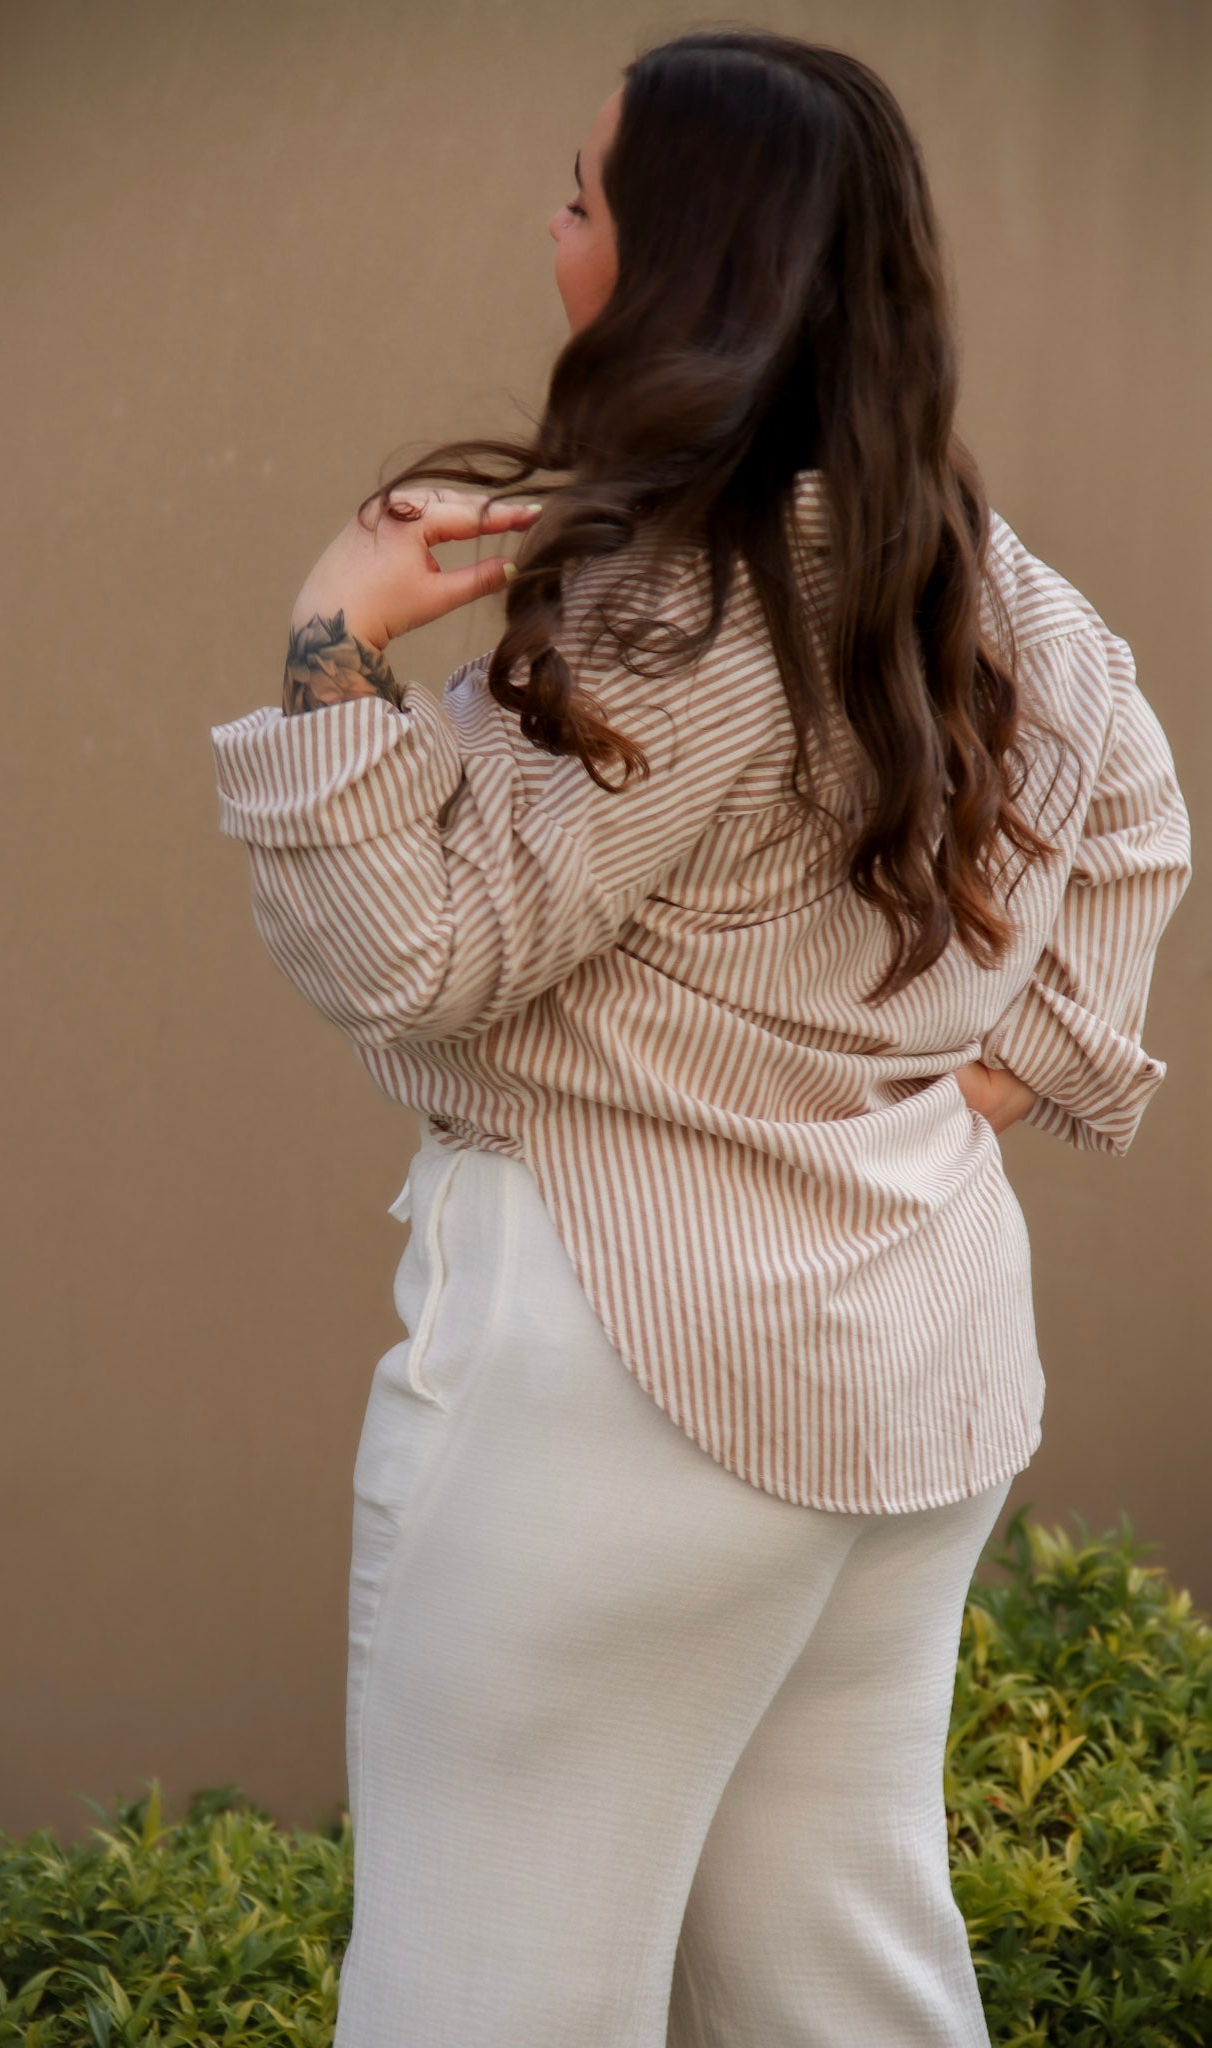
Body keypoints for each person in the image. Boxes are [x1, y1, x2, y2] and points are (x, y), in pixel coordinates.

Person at [209, 27, 1192, 2048]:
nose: (550, 228)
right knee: (836, 1981)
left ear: (681, 265)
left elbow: (429, 955)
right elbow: (1135, 821)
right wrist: (967, 1085)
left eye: (582, 197)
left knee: (487, 1999)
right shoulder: (981, 580)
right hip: (899, 1362)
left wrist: (331, 636)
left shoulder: (684, 616)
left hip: (611, 1386)